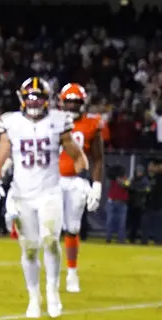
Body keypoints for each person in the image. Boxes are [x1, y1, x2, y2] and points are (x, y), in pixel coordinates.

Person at [0, 77, 87, 319]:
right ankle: (34, 297)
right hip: (22, 194)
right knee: (29, 249)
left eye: (38, 97)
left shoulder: (58, 121)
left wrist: (87, 181)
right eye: (30, 97)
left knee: (51, 240)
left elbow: (77, 155)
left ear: (47, 100)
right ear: (21, 98)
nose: (34, 101)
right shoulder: (11, 122)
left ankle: (52, 292)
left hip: (50, 191)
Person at [57, 83, 104, 293]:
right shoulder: (51, 122)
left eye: (76, 102)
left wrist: (97, 186)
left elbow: (98, 158)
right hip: (51, 180)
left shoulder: (91, 124)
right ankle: (52, 273)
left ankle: (72, 273)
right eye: (69, 101)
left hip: (76, 181)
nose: (72, 106)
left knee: (72, 228)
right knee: (49, 229)